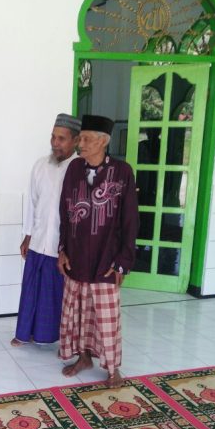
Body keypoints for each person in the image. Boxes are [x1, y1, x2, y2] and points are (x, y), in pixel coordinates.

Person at [57, 114, 139, 387]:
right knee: (79, 313)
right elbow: (64, 212)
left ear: (104, 142)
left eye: (87, 139)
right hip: (77, 256)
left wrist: (123, 261)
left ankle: (113, 369)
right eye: (80, 139)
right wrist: (62, 250)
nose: (81, 144)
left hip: (107, 257)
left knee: (106, 317)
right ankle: (83, 357)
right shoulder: (73, 168)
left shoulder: (122, 171)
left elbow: (130, 219)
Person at [11, 113, 81, 347]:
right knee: (31, 289)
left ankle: (51, 337)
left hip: (61, 245)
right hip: (38, 240)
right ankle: (24, 334)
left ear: (76, 141)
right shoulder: (41, 165)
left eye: (61, 138)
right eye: (53, 137)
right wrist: (27, 235)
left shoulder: (79, 169)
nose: (55, 143)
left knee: (54, 294)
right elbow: (32, 202)